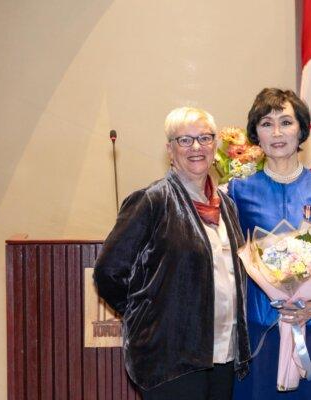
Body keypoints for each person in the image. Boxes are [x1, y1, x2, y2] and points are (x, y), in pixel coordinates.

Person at [94, 107, 250, 400]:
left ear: (215, 145)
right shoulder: (152, 200)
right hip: (171, 357)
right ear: (170, 149)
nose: (196, 147)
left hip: (223, 354)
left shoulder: (226, 206)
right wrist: (147, 316)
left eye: (204, 138)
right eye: (185, 140)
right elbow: (108, 271)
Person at [229, 88, 311, 400]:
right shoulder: (237, 192)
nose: (277, 132)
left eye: (286, 122)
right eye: (267, 124)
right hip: (262, 327)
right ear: (256, 134)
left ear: (302, 129)